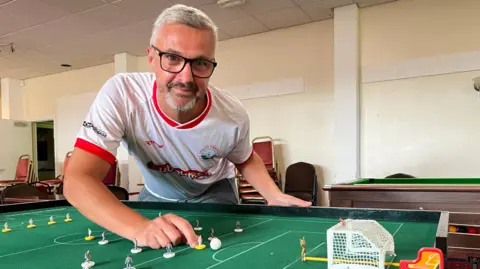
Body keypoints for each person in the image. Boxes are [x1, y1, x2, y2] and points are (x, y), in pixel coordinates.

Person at [63, 4, 311, 251]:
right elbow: (77, 178)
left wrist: (273, 195)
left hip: (213, 190)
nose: (186, 78)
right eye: (172, 58)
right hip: (156, 192)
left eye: (200, 63)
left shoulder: (232, 114)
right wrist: (138, 227)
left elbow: (245, 158)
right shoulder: (121, 94)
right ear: (151, 58)